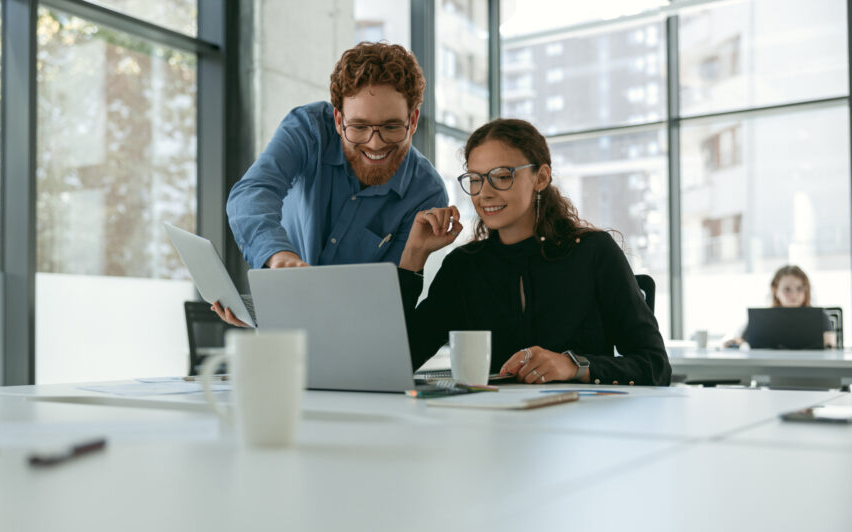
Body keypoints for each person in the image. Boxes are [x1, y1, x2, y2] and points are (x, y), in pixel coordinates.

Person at [396, 118, 671, 386]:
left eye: (501, 177)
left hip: (579, 426)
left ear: (540, 177)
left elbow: (654, 365)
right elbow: (399, 362)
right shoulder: (463, 268)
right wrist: (414, 255)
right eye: (476, 179)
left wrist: (573, 365)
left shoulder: (593, 253)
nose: (484, 194)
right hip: (491, 425)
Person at [213, 42, 447, 326]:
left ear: (413, 121)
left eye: (391, 127)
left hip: (354, 334)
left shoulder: (426, 193)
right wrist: (278, 256)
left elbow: (386, 301)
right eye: (359, 127)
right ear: (338, 119)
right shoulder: (308, 130)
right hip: (282, 322)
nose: (375, 143)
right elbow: (252, 193)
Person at [726, 265, 837, 348]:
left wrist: (828, 344)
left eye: (799, 289)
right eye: (787, 289)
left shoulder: (819, 317)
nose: (793, 295)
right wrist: (733, 343)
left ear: (806, 290)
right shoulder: (763, 319)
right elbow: (739, 340)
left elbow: (830, 344)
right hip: (772, 374)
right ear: (775, 290)